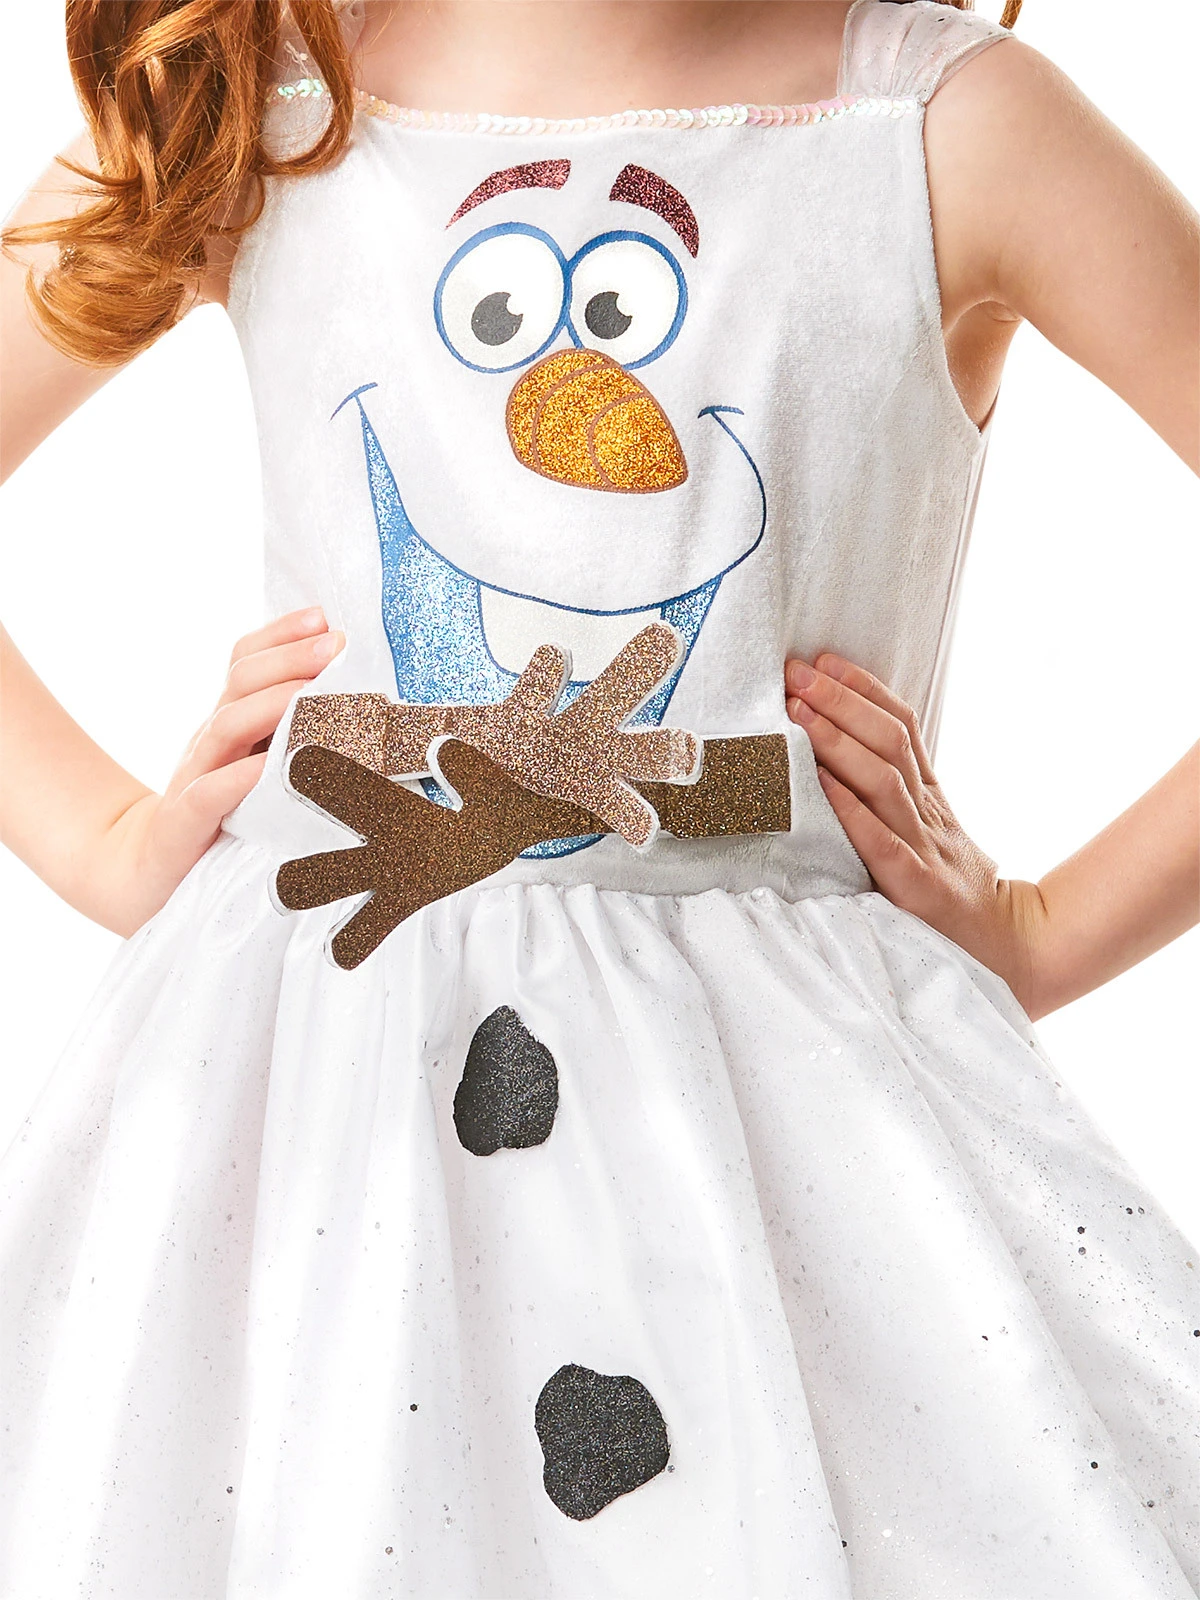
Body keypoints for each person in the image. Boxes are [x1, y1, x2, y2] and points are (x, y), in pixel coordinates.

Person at [1, 0, 1196, 1593]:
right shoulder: (259, 107)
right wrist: (94, 841)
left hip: (797, 1137)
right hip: (315, 1102)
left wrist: (1046, 933)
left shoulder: (950, 131)